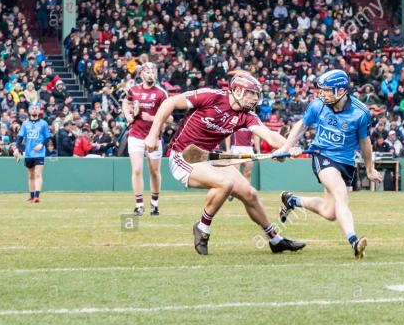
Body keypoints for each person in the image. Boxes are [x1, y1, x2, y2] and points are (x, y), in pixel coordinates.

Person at [144, 70, 305, 255]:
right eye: (251, 93)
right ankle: (202, 228)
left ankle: (275, 240)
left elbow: (268, 134)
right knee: (225, 184)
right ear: (237, 91)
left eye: (256, 95)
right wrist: (152, 134)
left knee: (249, 193)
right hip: (183, 155)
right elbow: (169, 102)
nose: (254, 99)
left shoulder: (246, 115)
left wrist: (287, 147)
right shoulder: (211, 96)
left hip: (208, 157)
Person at [274, 69, 382, 259]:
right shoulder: (318, 105)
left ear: (340, 91)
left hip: (346, 163)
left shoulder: (361, 113)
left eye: (326, 90)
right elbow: (302, 125)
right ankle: (354, 241)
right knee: (341, 194)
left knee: (330, 212)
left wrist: (370, 168)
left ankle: (292, 200)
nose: (321, 94)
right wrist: (286, 147)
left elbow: (365, 143)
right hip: (322, 156)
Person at [122, 62, 169, 216]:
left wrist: (151, 117)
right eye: (148, 71)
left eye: (153, 71)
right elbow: (126, 102)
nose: (151, 74)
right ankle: (139, 205)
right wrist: (128, 115)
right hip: (135, 136)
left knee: (154, 171)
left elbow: (167, 118)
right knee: (136, 170)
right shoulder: (133, 90)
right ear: (141, 74)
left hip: (154, 137)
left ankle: (154, 204)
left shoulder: (161, 93)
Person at [14, 103, 50, 204]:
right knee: (30, 175)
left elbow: (47, 138)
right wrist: (17, 149)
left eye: (36, 108)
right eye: (32, 108)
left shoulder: (43, 123)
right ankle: (31, 196)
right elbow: (20, 137)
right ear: (29, 111)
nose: (34, 110)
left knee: (38, 174)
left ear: (39, 111)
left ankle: (37, 196)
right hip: (29, 153)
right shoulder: (25, 124)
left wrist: (41, 145)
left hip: (39, 153)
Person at [225, 128, 260, 200]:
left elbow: (256, 135)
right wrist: (228, 149)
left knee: (248, 173)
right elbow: (227, 134)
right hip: (236, 148)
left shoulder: (250, 121)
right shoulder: (234, 121)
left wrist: (258, 151)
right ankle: (232, 192)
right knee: (235, 173)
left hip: (248, 149)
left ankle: (246, 193)